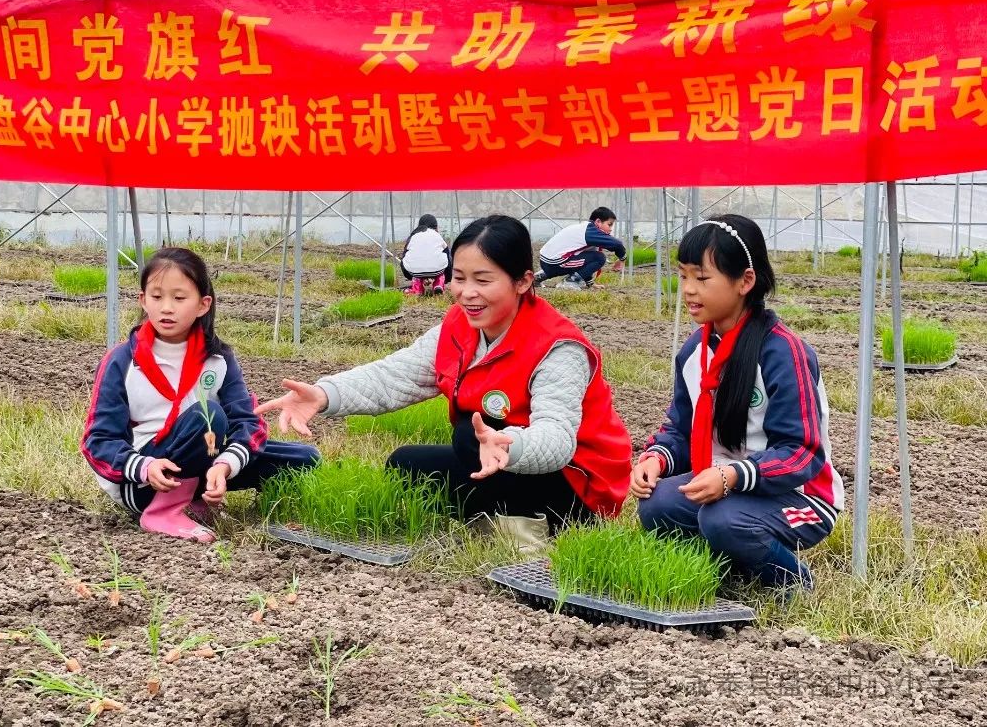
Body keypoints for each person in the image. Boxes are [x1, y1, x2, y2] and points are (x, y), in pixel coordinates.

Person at [255, 215, 633, 547]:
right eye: (459, 278)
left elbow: (558, 440)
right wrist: (323, 394)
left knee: (469, 436)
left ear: (522, 282)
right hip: (496, 459)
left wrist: (510, 444)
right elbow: (394, 376)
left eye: (483, 280)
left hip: (579, 487)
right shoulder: (458, 327)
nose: (467, 293)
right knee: (405, 466)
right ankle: (493, 513)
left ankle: (528, 534)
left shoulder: (558, 346)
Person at [630, 215, 843, 590]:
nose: (689, 290)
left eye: (702, 277)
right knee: (657, 504)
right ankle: (727, 568)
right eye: (683, 276)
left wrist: (733, 475)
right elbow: (680, 427)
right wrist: (656, 458)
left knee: (724, 519)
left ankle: (791, 581)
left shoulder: (783, 353)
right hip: (722, 485)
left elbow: (802, 452)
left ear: (745, 281)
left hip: (798, 496)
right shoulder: (695, 352)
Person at [82, 247, 320, 542]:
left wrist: (225, 465)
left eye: (179, 298)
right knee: (208, 416)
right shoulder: (121, 360)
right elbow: (98, 441)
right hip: (143, 481)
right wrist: (144, 466)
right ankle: (163, 511)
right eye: (156, 297)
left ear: (203, 305)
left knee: (304, 458)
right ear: (143, 300)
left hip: (203, 457)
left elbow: (248, 422)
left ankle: (199, 497)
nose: (166, 308)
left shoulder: (218, 358)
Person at [534, 206, 628, 290]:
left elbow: (585, 261)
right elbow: (617, 244)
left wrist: (590, 283)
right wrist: (622, 259)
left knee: (591, 256)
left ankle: (539, 277)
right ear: (598, 222)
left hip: (548, 262)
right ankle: (570, 282)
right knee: (600, 258)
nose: (611, 229)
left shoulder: (586, 229)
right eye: (609, 224)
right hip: (555, 262)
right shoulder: (591, 232)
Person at [400, 213, 450, 295]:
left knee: (413, 263)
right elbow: (447, 254)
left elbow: (405, 254)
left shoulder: (414, 235)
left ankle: (417, 288)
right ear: (435, 226)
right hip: (437, 271)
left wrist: (409, 273)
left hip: (414, 272)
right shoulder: (437, 235)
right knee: (443, 259)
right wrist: (448, 277)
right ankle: (438, 284)